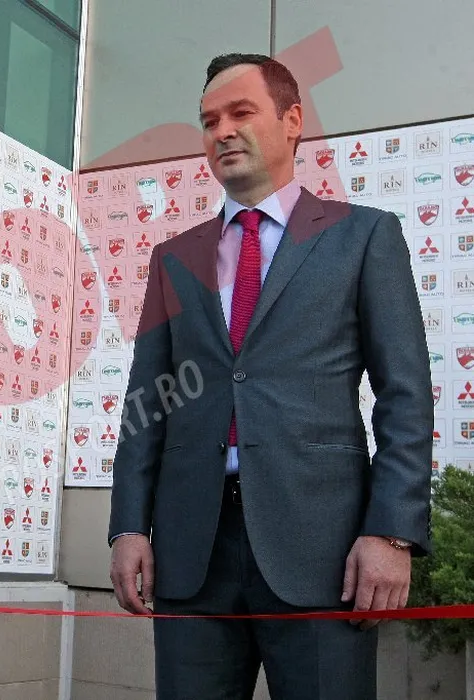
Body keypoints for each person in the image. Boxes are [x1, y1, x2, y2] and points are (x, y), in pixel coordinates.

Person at [107, 52, 433, 699]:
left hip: (324, 552)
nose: (222, 131)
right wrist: (128, 526)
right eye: (209, 121)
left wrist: (391, 531)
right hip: (192, 555)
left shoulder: (364, 237)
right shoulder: (173, 259)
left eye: (241, 113)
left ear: (291, 121)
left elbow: (405, 395)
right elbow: (147, 404)